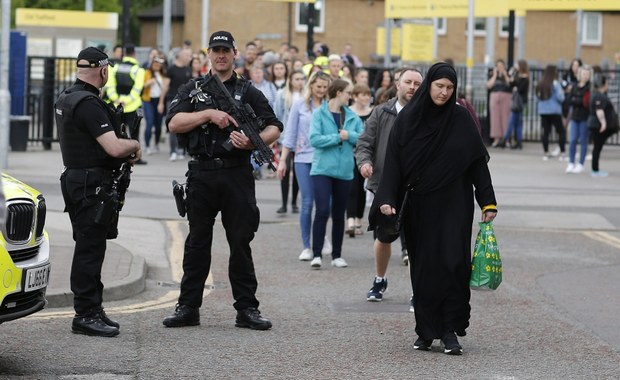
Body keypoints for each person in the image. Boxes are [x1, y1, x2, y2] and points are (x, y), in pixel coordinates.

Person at [371, 62, 497, 355]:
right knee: (425, 267)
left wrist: (487, 201)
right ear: (429, 85)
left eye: (449, 87)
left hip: (455, 203)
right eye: (439, 86)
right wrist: (386, 197)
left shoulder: (461, 118)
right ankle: (426, 330)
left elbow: (477, 162)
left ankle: (449, 330)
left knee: (454, 264)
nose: (443, 92)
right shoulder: (409, 120)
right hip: (420, 204)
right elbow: (394, 163)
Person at [162, 31, 282, 330]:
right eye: (215, 50)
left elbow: (274, 127)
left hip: (236, 173)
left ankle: (247, 310)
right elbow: (174, 123)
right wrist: (208, 114)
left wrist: (251, 143)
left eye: (225, 50)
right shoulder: (194, 88)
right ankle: (188, 307)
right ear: (208, 54)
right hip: (202, 174)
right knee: (197, 243)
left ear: (234, 53)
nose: (220, 55)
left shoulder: (248, 90)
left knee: (240, 243)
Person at [55, 47, 142, 337]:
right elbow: (115, 148)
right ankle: (85, 314)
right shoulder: (89, 103)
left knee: (91, 246)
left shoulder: (67, 97)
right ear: (103, 70)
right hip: (91, 184)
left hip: (76, 180)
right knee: (89, 250)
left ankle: (93, 308)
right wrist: (134, 145)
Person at [355, 67, 423, 303]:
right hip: (386, 186)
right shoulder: (381, 112)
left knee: (417, 240)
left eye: (417, 83)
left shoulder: (427, 114)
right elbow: (364, 143)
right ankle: (379, 279)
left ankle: (418, 290)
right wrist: (364, 163)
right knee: (384, 237)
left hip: (418, 187)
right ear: (398, 85)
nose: (412, 87)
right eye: (408, 82)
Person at [277, 71, 332, 262]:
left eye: (325, 87)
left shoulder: (330, 105)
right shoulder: (299, 104)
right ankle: (307, 246)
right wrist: (283, 160)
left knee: (324, 204)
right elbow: (290, 133)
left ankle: (321, 236)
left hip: (325, 159)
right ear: (311, 86)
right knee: (307, 202)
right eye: (318, 87)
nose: (322, 90)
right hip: (302, 158)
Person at [308, 79, 363, 269]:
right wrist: (337, 137)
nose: (351, 96)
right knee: (322, 210)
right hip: (322, 169)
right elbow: (314, 139)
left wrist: (350, 136)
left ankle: (337, 255)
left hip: (345, 171)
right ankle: (316, 255)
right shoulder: (319, 114)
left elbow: (362, 139)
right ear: (338, 92)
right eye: (348, 92)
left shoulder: (353, 117)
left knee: (339, 215)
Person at [104, 44, 147, 164]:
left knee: (118, 133)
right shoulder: (139, 69)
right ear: (134, 54)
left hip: (117, 106)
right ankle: (135, 157)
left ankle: (119, 156)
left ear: (124, 53)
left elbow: (110, 86)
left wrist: (117, 99)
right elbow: (137, 89)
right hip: (133, 106)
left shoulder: (116, 67)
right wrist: (127, 100)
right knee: (134, 134)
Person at [274, 70, 305, 214]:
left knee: (298, 171)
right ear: (291, 80)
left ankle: (294, 202)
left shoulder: (306, 96)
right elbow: (277, 115)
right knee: (284, 169)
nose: (300, 81)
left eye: (302, 79)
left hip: (302, 140)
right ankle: (284, 203)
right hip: (286, 138)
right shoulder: (282, 95)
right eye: (297, 78)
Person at [346, 83, 373, 237]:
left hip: (367, 156)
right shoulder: (348, 112)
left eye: (367, 95)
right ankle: (350, 220)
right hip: (350, 154)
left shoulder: (373, 112)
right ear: (355, 96)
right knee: (351, 188)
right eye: (362, 95)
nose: (366, 98)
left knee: (362, 189)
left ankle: (358, 219)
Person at [165, 47, 192, 162]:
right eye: (186, 55)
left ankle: (181, 149)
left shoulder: (188, 69)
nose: (188, 57)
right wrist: (161, 102)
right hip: (172, 100)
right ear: (180, 56)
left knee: (185, 126)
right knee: (173, 126)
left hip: (186, 101)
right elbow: (165, 86)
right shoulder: (171, 69)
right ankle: (173, 151)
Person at [588, 73, 617, 177]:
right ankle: (595, 170)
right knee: (597, 148)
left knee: (597, 147)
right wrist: (603, 123)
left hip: (597, 125)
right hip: (598, 125)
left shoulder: (597, 95)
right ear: (603, 84)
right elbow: (599, 110)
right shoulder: (599, 96)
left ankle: (595, 169)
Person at [566, 65, 592, 174]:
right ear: (579, 75)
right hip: (575, 117)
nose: (585, 76)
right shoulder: (575, 86)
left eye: (587, 74)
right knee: (572, 140)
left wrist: (576, 100)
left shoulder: (589, 88)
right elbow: (569, 99)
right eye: (583, 74)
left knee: (583, 141)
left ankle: (581, 164)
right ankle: (571, 162)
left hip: (584, 118)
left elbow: (585, 102)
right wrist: (577, 100)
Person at [537, 64, 566, 161]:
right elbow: (561, 98)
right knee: (561, 131)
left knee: (545, 132)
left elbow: (538, 96)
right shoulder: (555, 84)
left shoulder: (541, 83)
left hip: (543, 111)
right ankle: (562, 152)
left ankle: (546, 152)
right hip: (554, 111)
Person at [142, 54, 169, 155]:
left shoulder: (164, 75)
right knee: (149, 123)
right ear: (152, 63)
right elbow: (141, 86)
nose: (157, 65)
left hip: (159, 101)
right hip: (148, 100)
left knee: (158, 125)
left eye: (159, 63)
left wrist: (161, 103)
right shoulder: (147, 73)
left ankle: (156, 144)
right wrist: (148, 83)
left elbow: (165, 89)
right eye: (155, 62)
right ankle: (147, 145)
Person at [501, 59, 529, 149]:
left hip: (519, 102)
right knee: (517, 122)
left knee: (513, 121)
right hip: (516, 101)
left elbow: (520, 88)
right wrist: (510, 73)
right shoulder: (517, 75)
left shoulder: (525, 78)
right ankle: (517, 141)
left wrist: (516, 87)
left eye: (517, 64)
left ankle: (505, 139)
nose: (515, 66)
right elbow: (511, 84)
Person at [486, 59, 512, 147]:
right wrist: (495, 75)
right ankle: (496, 139)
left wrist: (505, 75)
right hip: (495, 95)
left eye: (501, 66)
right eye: (498, 66)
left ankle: (506, 139)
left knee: (506, 117)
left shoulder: (508, 74)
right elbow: (489, 85)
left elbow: (510, 84)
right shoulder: (492, 74)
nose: (500, 68)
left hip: (506, 96)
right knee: (495, 118)